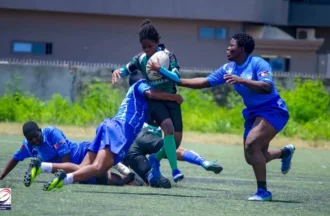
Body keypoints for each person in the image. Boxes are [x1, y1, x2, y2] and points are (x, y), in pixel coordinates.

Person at [175, 32, 295, 201]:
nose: (228, 48)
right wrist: (176, 81)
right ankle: (285, 153)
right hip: (253, 113)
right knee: (252, 157)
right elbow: (205, 82)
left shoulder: (258, 63)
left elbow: (267, 87)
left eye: (232, 45)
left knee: (252, 144)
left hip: (273, 109)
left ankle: (263, 192)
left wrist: (243, 81)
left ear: (242, 49)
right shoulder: (228, 68)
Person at [42, 79, 184, 191]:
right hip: (119, 130)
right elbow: (152, 94)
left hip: (109, 125)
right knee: (98, 168)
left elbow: (151, 118)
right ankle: (64, 180)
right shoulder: (142, 84)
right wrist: (174, 97)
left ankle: (43, 166)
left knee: (83, 167)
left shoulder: (141, 104)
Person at [112, 19, 184, 183]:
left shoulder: (168, 56)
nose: (147, 50)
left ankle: (155, 159)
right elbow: (126, 69)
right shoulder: (141, 59)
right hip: (156, 100)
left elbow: (177, 78)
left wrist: (160, 70)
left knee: (175, 141)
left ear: (157, 43)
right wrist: (118, 72)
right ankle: (175, 170)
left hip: (171, 100)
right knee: (168, 128)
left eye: (150, 46)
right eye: (144, 47)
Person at [123, 72, 223, 188]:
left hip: (130, 146)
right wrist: (175, 97)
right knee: (172, 147)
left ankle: (144, 176)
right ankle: (202, 162)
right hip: (145, 134)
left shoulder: (130, 99)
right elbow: (155, 98)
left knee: (157, 182)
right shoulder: (151, 92)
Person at [0, 121, 134, 186]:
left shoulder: (52, 133)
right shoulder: (28, 146)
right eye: (30, 139)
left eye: (36, 136)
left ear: (40, 130)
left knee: (91, 168)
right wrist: (2, 176)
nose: (34, 140)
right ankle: (129, 179)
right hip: (73, 167)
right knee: (106, 180)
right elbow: (15, 159)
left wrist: (70, 177)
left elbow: (66, 160)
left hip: (84, 153)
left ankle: (123, 165)